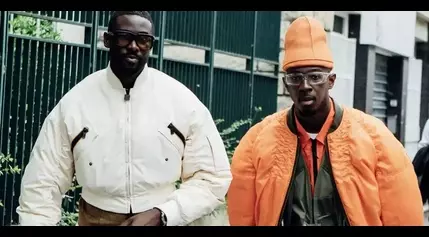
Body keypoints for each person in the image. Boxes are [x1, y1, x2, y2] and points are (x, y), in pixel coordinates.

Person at [16, 11, 232, 226]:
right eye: (124, 36)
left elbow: (213, 177)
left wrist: (164, 213)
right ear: (107, 40)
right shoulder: (75, 103)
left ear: (151, 45)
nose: (134, 46)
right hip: (96, 219)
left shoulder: (180, 101)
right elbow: (42, 183)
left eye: (143, 40)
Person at [226, 16, 424, 226]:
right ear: (286, 84)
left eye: (315, 76)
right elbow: (243, 217)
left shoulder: (376, 140)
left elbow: (404, 217)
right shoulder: (256, 142)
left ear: (331, 81)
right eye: (295, 78)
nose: (305, 86)